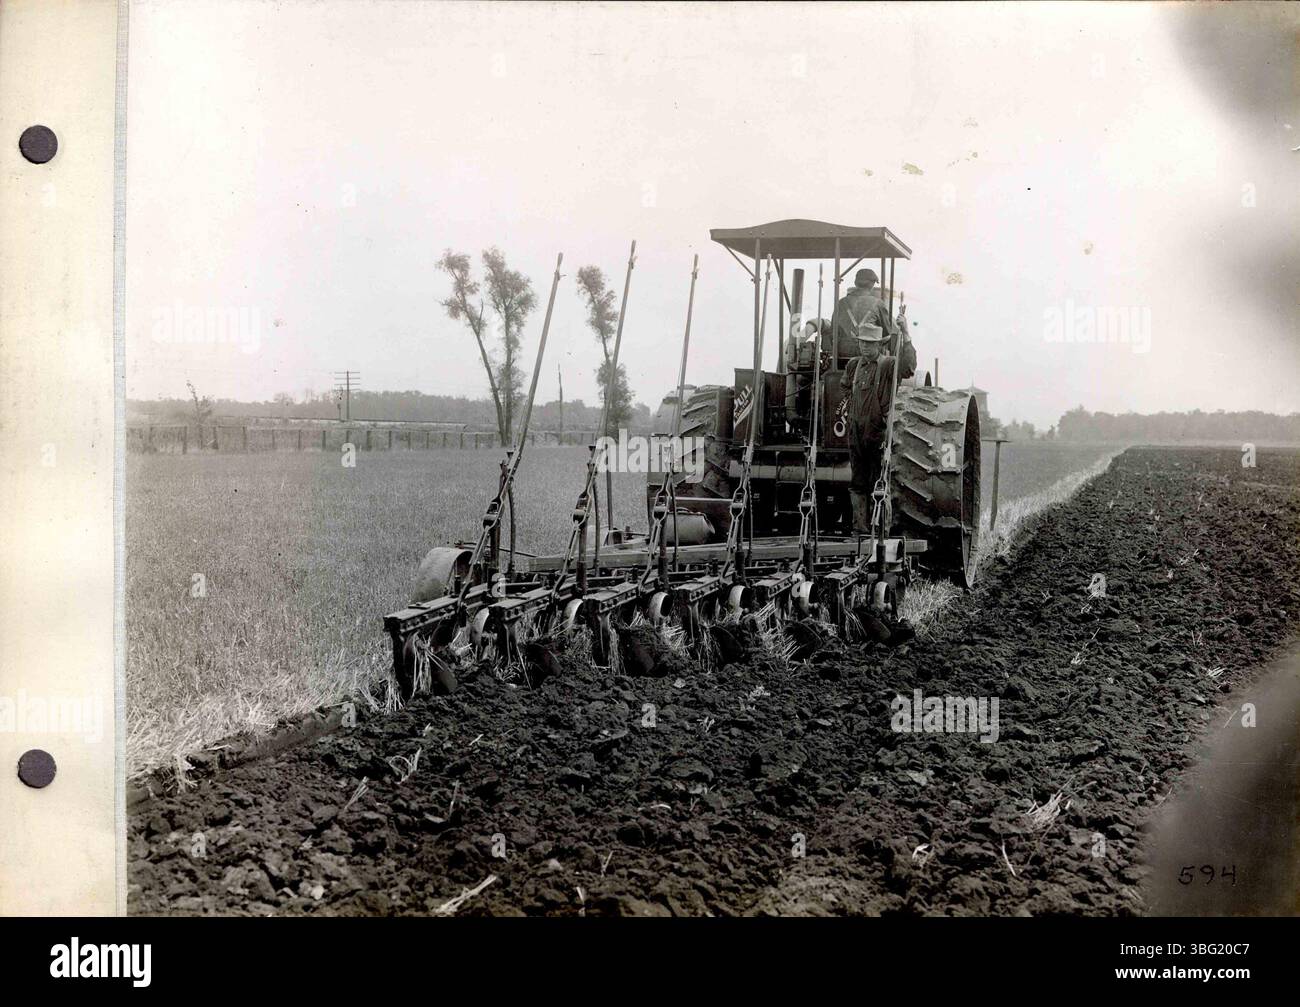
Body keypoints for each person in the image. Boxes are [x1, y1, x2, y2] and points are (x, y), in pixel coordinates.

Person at [839, 278, 915, 534]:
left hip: (879, 433)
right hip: (856, 434)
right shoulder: (853, 366)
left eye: (870, 344)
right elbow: (846, 389)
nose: (865, 347)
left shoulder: (889, 365)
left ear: (879, 345)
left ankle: (880, 532)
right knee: (858, 483)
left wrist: (905, 334)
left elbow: (909, 367)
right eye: (862, 343)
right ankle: (859, 530)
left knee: (880, 482)